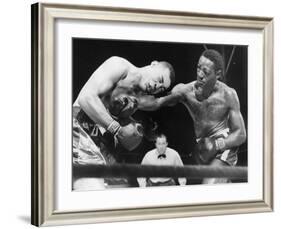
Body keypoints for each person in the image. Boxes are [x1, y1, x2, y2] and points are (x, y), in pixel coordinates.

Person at [141, 49, 247, 184]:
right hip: (201, 147)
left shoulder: (228, 95)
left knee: (208, 189)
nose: (200, 75)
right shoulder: (185, 91)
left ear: (218, 74)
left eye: (206, 72)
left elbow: (241, 134)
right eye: (198, 68)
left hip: (224, 146)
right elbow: (157, 103)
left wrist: (217, 145)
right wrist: (134, 100)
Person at [72, 56, 175, 190]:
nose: (157, 86)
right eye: (160, 80)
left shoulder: (140, 100)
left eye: (161, 89)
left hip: (102, 145)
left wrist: (139, 130)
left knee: (121, 190)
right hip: (80, 128)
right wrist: (117, 129)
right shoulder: (120, 66)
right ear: (154, 64)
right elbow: (86, 98)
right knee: (94, 192)